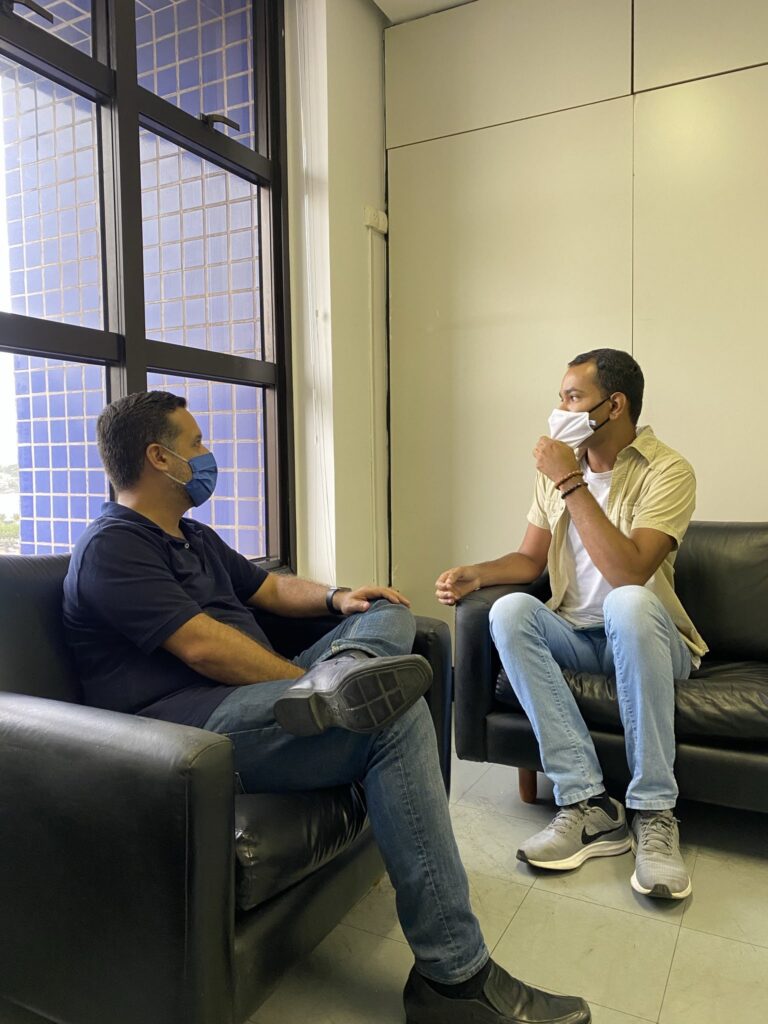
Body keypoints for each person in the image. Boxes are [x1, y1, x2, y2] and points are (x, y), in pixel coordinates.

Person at [63, 390, 591, 1024]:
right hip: (188, 729)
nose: (207, 454)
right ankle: (454, 979)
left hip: (269, 700)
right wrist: (302, 681)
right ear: (158, 458)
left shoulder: (193, 537)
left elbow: (269, 588)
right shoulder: (115, 546)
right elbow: (203, 647)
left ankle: (341, 681)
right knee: (394, 719)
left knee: (388, 612)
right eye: (195, 442)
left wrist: (340, 598)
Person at [436, 349, 706, 901]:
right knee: (509, 610)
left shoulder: (668, 470)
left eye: (573, 397)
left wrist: (569, 480)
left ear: (615, 405)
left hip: (652, 640)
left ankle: (654, 812)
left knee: (627, 604)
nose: (559, 409)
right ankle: (587, 803)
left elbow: (630, 571)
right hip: (578, 637)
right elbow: (528, 560)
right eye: (560, 397)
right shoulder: (559, 474)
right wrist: (477, 573)